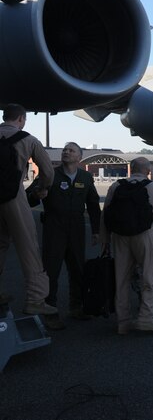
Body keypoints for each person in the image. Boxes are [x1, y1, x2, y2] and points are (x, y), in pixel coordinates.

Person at [27, 142, 101, 329]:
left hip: (76, 229)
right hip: (54, 228)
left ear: (79, 157)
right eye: (65, 150)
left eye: (71, 150)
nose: (66, 152)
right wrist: (38, 195)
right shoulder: (49, 174)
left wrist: (96, 230)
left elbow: (93, 204)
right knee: (51, 271)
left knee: (78, 269)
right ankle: (50, 313)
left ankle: (75, 307)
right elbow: (28, 199)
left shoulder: (85, 177)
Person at [0, 104, 56, 315]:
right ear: (21, 119)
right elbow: (47, 171)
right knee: (29, 247)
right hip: (15, 197)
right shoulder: (29, 139)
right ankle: (35, 299)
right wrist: (42, 189)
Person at [101, 157, 153, 334]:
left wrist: (105, 240)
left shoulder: (116, 186)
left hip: (119, 236)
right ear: (148, 171)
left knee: (121, 279)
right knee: (149, 275)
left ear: (131, 169)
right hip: (143, 234)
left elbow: (105, 213)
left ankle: (123, 322)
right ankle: (145, 317)